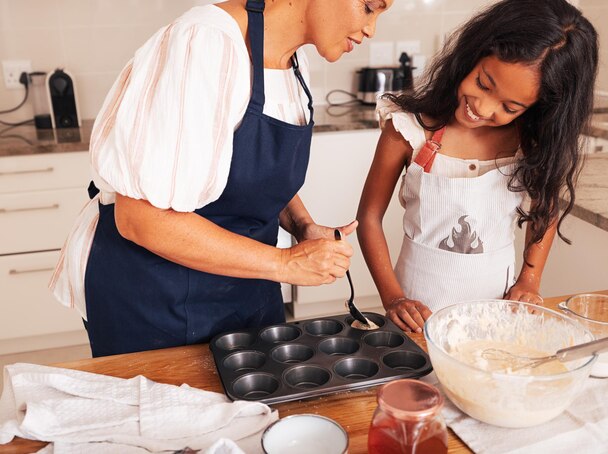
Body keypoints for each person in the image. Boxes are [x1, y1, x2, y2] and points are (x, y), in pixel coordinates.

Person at [50, 0, 394, 357]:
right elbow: (139, 219)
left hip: (245, 283)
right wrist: (285, 263)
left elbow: (247, 170)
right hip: (155, 294)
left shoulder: (294, 63)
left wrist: (302, 225)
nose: (371, 29)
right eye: (369, 7)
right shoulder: (205, 43)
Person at [356, 0, 598, 333]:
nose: (482, 108)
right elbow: (369, 217)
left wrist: (529, 278)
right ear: (473, 55)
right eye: (484, 83)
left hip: (497, 313)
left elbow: (547, 208)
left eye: (510, 107)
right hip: (417, 314)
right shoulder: (408, 130)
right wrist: (393, 297)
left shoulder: (530, 142)